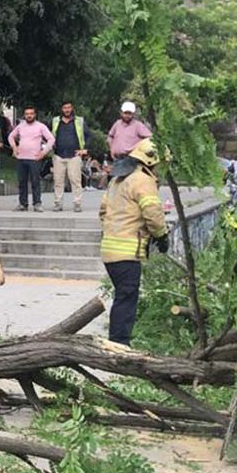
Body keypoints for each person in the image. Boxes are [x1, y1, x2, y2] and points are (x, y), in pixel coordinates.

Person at [99, 139, 169, 346]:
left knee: (122, 297)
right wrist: (161, 235)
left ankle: (117, 342)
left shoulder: (119, 179)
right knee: (127, 298)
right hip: (128, 251)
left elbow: (103, 211)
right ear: (152, 160)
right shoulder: (143, 180)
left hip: (110, 249)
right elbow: (153, 212)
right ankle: (119, 344)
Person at [8, 105, 55, 212]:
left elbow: (51, 139)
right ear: (24, 115)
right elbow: (10, 136)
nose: (29, 116)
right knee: (22, 182)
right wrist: (14, 148)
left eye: (31, 114)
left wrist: (43, 153)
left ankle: (37, 203)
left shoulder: (41, 126)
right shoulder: (20, 126)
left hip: (35, 159)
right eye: (27, 114)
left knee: (35, 181)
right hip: (21, 158)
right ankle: (23, 204)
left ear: (35, 115)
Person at [49, 101, 87, 212]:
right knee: (58, 181)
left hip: (74, 155)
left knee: (75, 181)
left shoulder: (79, 121)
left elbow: (88, 135)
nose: (67, 110)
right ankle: (58, 203)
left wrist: (85, 150)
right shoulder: (56, 121)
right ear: (62, 109)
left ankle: (77, 203)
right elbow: (48, 135)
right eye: (65, 108)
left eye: (69, 107)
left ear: (72, 108)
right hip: (58, 155)